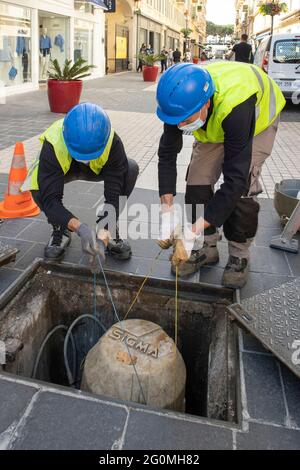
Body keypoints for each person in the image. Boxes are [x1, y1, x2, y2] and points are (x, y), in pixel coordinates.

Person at [156, 62, 286, 288]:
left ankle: (239, 255)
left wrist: (189, 231)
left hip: (256, 124)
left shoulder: (236, 104)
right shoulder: (178, 105)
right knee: (197, 181)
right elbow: (167, 155)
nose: (181, 125)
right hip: (216, 121)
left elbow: (234, 180)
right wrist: (166, 210)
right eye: (177, 120)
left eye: (186, 120)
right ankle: (207, 246)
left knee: (243, 188)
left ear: (205, 102)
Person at [22, 103, 139, 264]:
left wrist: (104, 229)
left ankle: (108, 228)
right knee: (38, 184)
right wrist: (79, 227)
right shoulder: (54, 142)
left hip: (95, 170)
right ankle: (60, 228)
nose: (86, 158)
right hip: (64, 169)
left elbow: (114, 192)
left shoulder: (112, 141)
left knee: (130, 169)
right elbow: (50, 200)